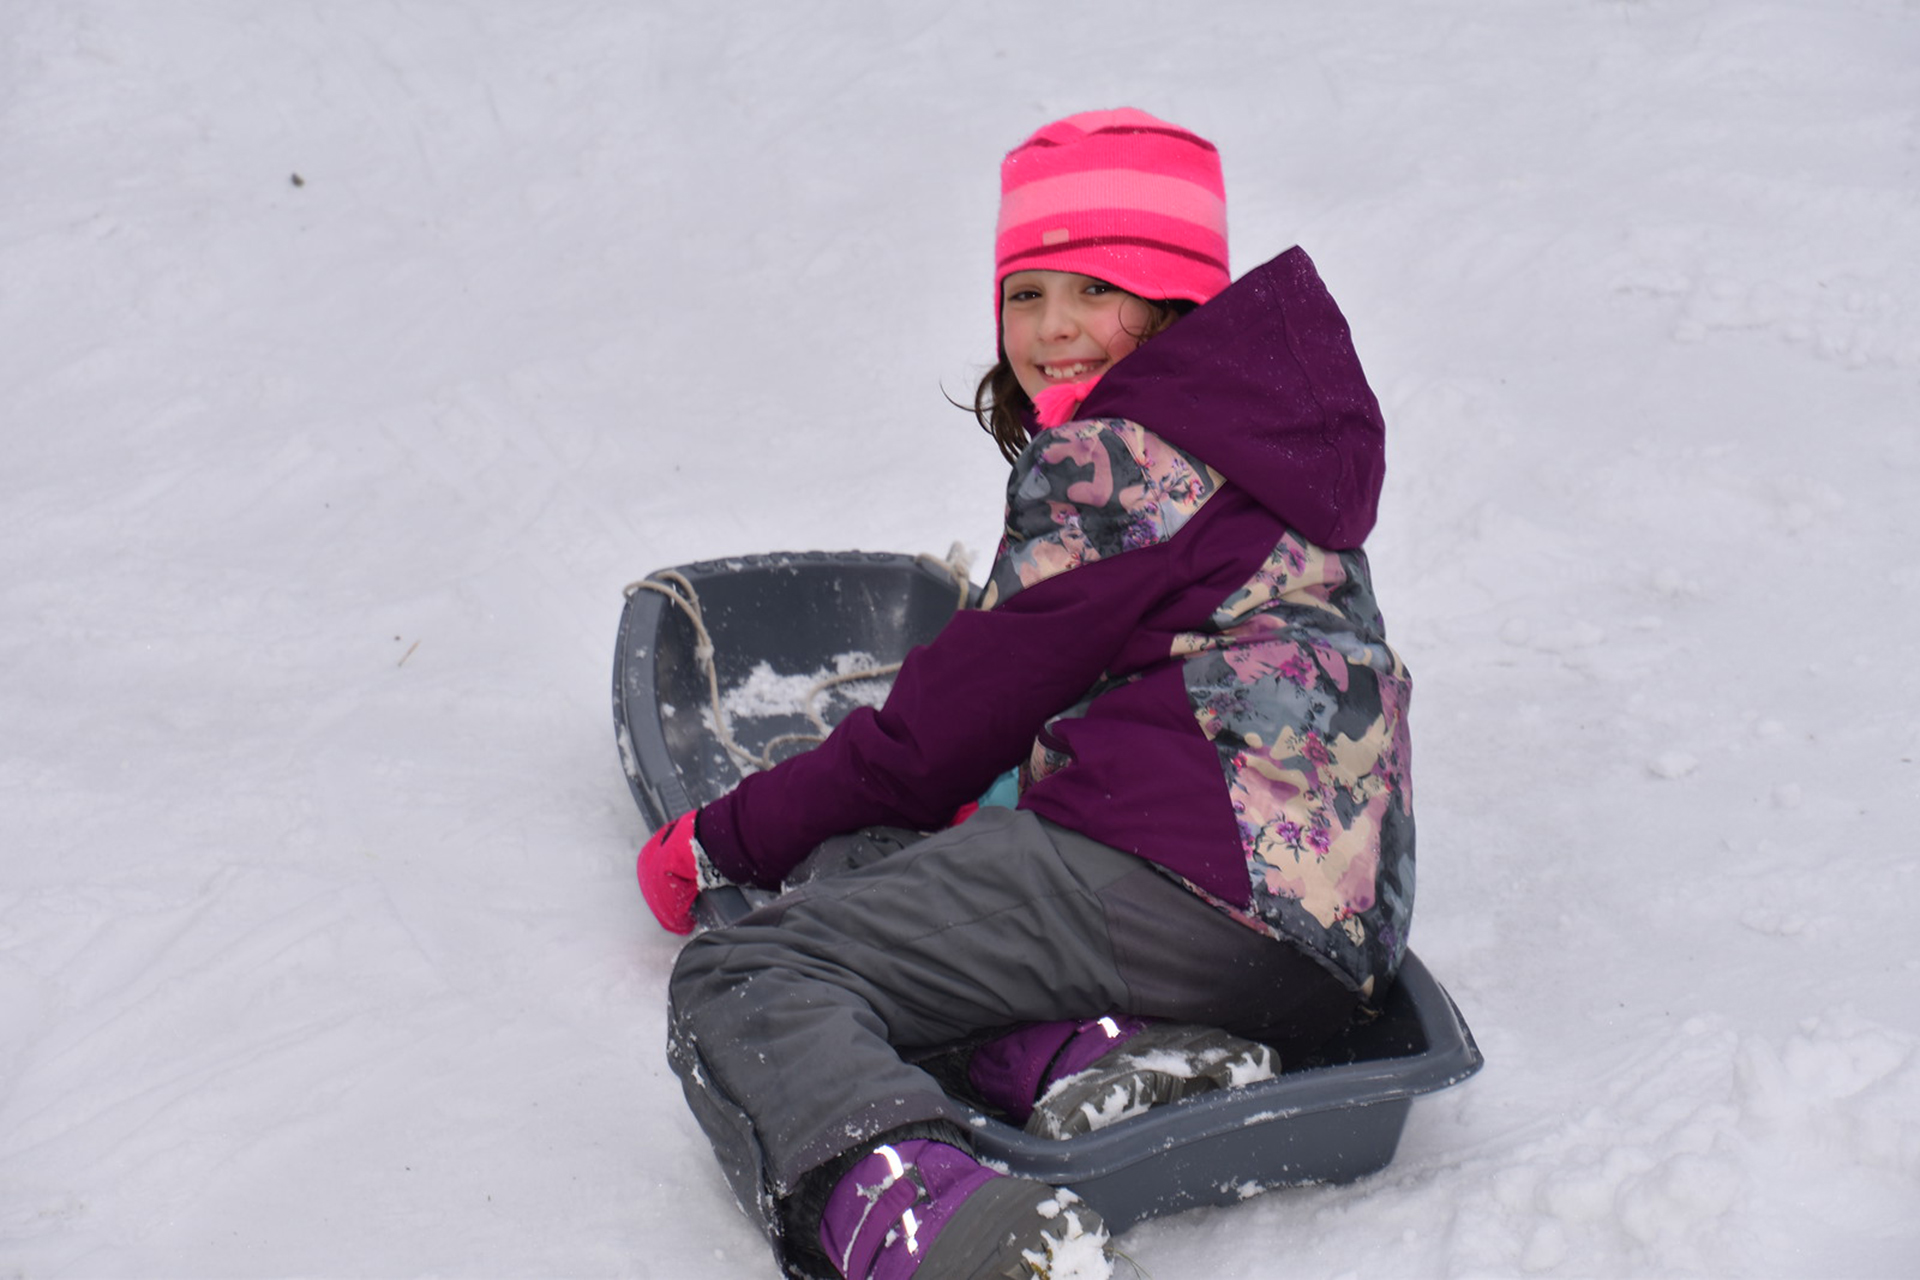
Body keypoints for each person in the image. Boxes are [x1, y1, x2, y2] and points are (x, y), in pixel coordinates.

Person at [636, 107, 1414, 1279]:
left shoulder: (1119, 460)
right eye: (1026, 293)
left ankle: (962, 1240)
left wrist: (723, 835)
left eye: (1097, 287)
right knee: (903, 871)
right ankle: (1108, 1053)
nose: (1052, 328)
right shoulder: (1259, 444)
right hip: (1323, 932)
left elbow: (935, 735)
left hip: (1174, 879)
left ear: (1174, 302)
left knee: (752, 972)